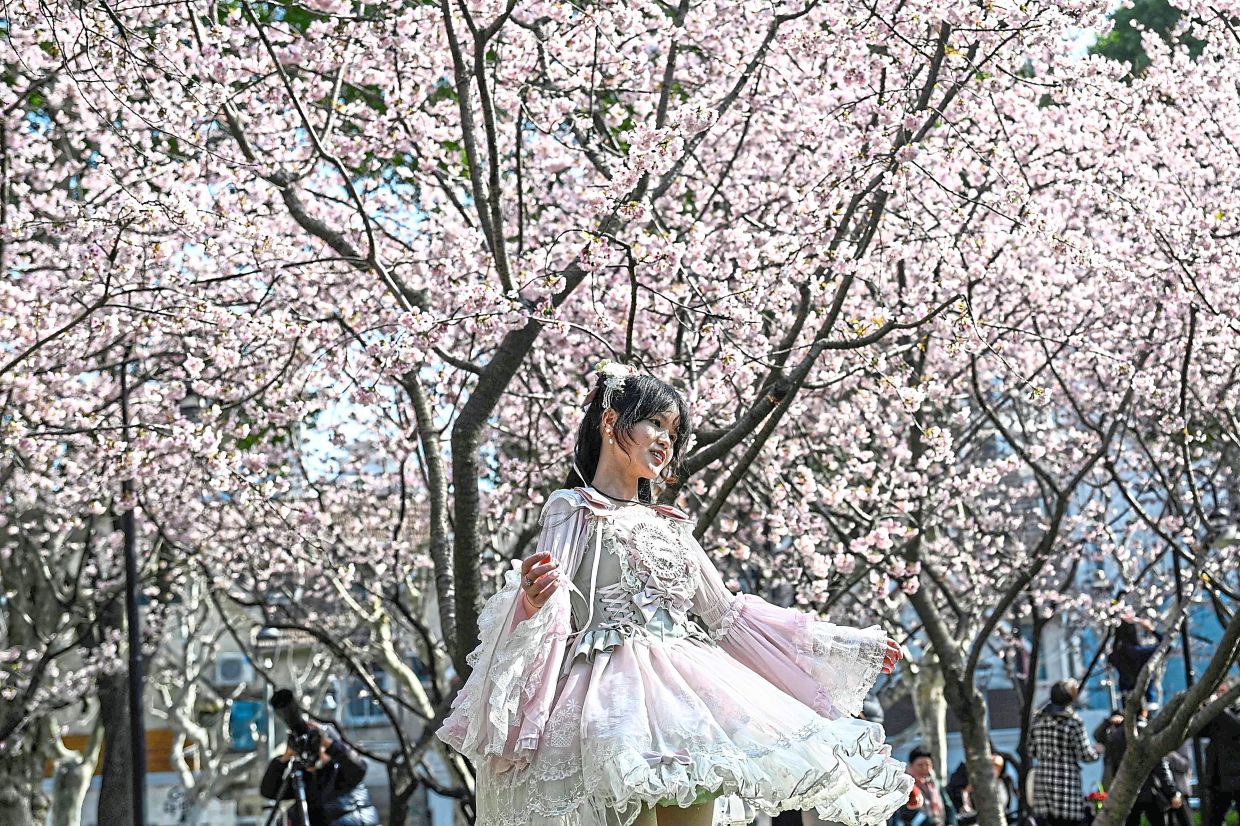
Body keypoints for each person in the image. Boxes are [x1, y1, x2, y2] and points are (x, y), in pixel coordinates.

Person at [437, 363, 913, 826]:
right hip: (609, 708)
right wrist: (533, 602)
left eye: (674, 431)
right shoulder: (572, 508)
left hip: (690, 706)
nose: (665, 439)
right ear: (610, 421)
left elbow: (727, 616)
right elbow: (554, 604)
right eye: (655, 423)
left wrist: (838, 642)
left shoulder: (672, 526)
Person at [259, 721, 379, 826]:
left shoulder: (341, 770)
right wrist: (285, 757)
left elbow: (359, 768)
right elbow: (269, 791)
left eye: (317, 745)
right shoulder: (302, 777)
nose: (313, 751)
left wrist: (327, 742)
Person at [1029, 680, 1099, 826]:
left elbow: (1031, 750)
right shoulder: (1073, 722)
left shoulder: (1037, 720)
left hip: (1043, 782)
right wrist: (1097, 751)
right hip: (1067, 784)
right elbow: (1085, 754)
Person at [1104, 709, 1182, 826]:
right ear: (1144, 712)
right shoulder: (1149, 731)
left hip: (1127, 793)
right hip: (1151, 791)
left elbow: (1112, 765)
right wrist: (1172, 792)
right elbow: (1160, 765)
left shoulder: (1115, 734)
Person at [889, 746, 957, 826]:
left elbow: (948, 806)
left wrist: (951, 823)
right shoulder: (904, 786)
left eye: (928, 765)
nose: (924, 768)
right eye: (920, 765)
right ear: (911, 765)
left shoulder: (935, 784)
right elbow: (908, 812)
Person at [947, 748, 1016, 825]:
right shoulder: (973, 779)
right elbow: (963, 796)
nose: (994, 769)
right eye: (992, 765)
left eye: (997, 766)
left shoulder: (1003, 782)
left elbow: (1005, 804)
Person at [1201, 689, 1240, 826]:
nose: (1219, 696)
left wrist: (1217, 707)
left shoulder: (1227, 714)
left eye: (1223, 692)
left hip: (1236, 778)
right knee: (1213, 820)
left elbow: (1236, 726)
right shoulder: (1218, 716)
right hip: (1218, 779)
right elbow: (1200, 730)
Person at [1107, 618, 1161, 704]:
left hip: (1126, 698)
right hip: (1144, 697)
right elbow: (1165, 646)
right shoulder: (1140, 652)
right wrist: (1151, 629)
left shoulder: (1114, 656)